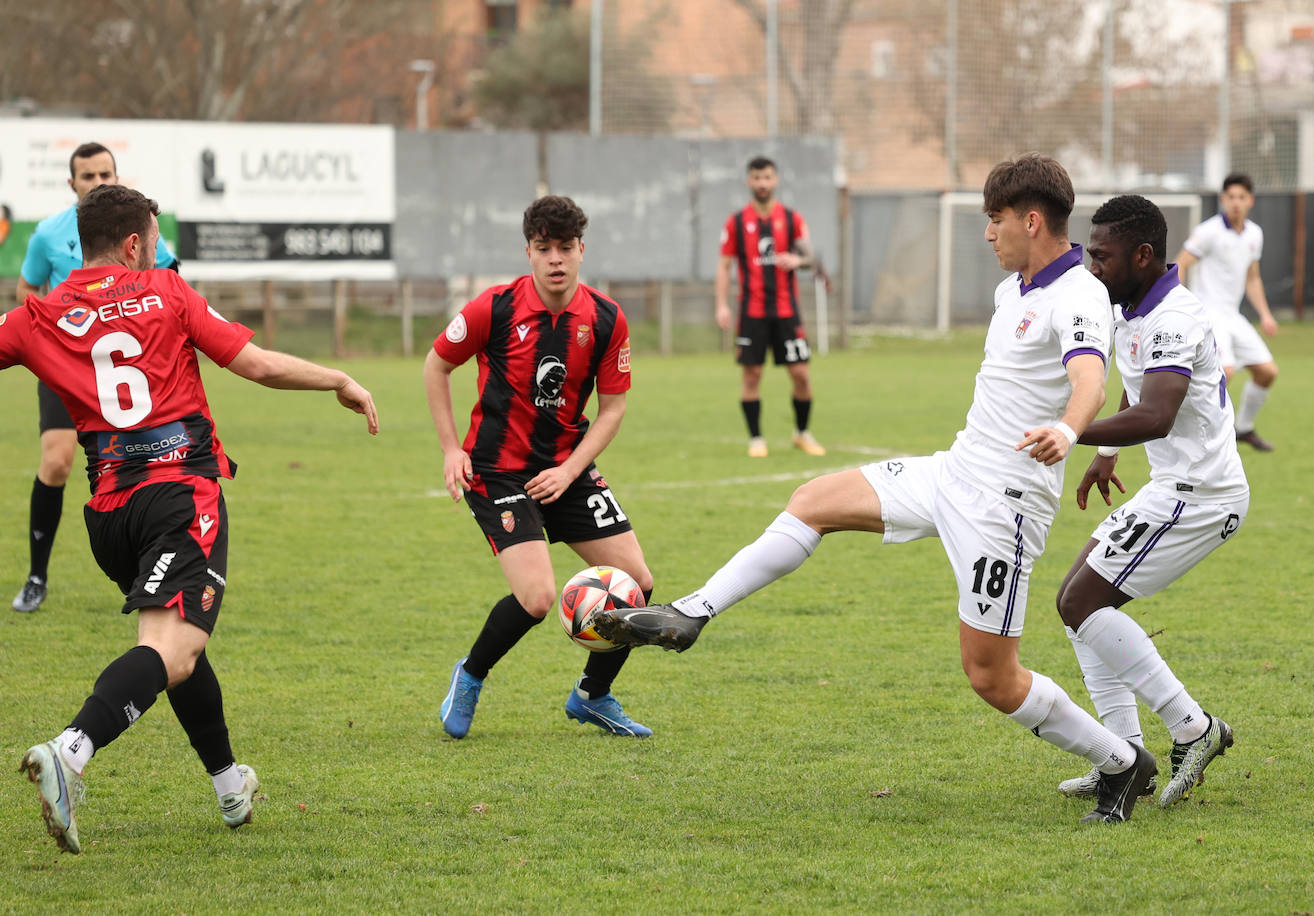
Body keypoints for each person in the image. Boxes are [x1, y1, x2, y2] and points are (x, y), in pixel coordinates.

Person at [597, 154, 1158, 824]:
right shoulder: (1016, 289)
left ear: (1031, 221)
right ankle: (692, 612)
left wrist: (1069, 432)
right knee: (813, 501)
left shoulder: (1079, 295)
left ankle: (1123, 763)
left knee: (991, 677)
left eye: (996, 220)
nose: (988, 234)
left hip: (1003, 506)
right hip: (954, 471)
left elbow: (1090, 378)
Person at [4, 184, 379, 854]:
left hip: (109, 515)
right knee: (172, 648)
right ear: (131, 244)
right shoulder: (168, 293)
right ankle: (72, 750)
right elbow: (257, 365)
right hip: (181, 496)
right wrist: (338, 380)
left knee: (180, 648)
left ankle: (230, 783)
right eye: (152, 236)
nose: (156, 247)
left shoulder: (39, 316)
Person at [424, 195, 656, 740]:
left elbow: (613, 408)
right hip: (498, 470)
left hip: (566, 469)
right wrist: (450, 449)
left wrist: (572, 469)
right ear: (528, 250)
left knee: (637, 584)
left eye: (566, 248)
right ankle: (470, 675)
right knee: (536, 598)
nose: (556, 259)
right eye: (544, 248)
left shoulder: (605, 317)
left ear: (582, 250)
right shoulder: (495, 308)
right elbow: (437, 366)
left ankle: (592, 697)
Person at [1055, 194, 1245, 808]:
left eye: (1103, 257)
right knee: (1075, 602)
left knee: (1082, 602)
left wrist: (1066, 429)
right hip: (1175, 488)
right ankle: (1124, 754)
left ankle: (1193, 728)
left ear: (1142, 255)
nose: (1093, 268)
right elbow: (1137, 394)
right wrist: (1106, 454)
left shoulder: (1175, 318)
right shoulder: (1132, 306)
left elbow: (1158, 415)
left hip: (1202, 495)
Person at [12, 141, 180, 613]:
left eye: (106, 173)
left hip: (124, 371)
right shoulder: (50, 234)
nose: (99, 183)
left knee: (149, 465)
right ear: (72, 184)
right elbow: (27, 288)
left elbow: (168, 282)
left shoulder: (141, 229)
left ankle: (151, 571)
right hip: (67, 368)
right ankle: (37, 576)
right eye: (89, 176)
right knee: (58, 462)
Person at [716, 156, 825, 458]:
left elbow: (812, 258)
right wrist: (721, 305)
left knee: (801, 374)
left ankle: (802, 433)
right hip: (752, 312)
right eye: (756, 178)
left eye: (767, 178)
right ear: (749, 182)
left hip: (787, 312)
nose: (762, 184)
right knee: (752, 376)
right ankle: (756, 439)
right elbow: (724, 266)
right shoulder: (736, 222)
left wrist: (798, 260)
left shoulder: (791, 219)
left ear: (775, 180)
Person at [1174, 173, 1279, 451]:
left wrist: (1265, 314)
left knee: (1267, 372)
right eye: (1230, 197)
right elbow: (1180, 264)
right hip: (1208, 314)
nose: (1235, 203)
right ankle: (1196, 437)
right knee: (1225, 371)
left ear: (1250, 201)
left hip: (1233, 316)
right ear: (1223, 200)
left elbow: (1253, 277)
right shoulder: (1209, 231)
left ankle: (1242, 429)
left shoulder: (1255, 234)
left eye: (1241, 197)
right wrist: (1179, 303)